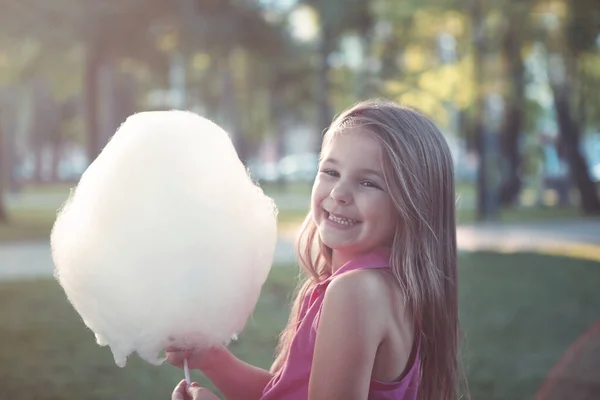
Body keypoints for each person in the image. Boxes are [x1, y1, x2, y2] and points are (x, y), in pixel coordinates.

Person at [167, 99, 464, 399]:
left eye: (368, 183)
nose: (338, 193)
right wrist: (214, 360)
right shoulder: (380, 285)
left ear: (413, 205)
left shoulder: (357, 292)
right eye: (331, 172)